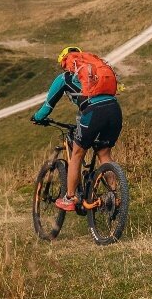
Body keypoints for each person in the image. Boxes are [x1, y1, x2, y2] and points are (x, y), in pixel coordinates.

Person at [31, 45, 122, 211]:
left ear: (65, 62)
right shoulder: (95, 74)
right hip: (114, 109)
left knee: (78, 153)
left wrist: (37, 118)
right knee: (104, 153)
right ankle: (113, 195)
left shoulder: (65, 77)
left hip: (93, 112)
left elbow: (47, 106)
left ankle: (70, 197)